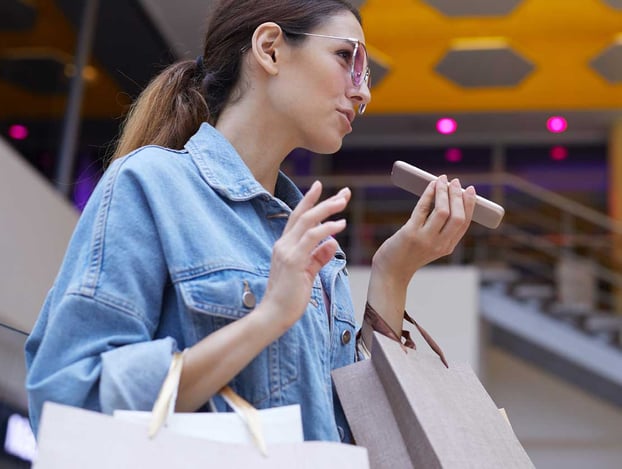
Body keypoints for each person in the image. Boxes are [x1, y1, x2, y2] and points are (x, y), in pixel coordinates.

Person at [25, 0, 476, 443]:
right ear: (270, 48)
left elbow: (349, 439)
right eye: (346, 57)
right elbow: (69, 400)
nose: (363, 91)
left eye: (365, 71)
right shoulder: (152, 184)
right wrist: (267, 318)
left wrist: (392, 275)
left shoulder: (315, 244)